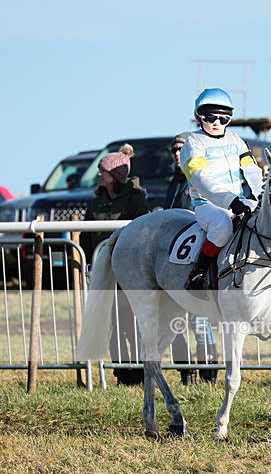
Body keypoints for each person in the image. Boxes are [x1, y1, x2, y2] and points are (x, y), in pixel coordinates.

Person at [179, 87, 263, 296]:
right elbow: (199, 177)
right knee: (223, 225)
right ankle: (197, 274)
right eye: (210, 117)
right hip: (207, 206)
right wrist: (230, 200)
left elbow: (251, 169)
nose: (217, 123)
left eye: (223, 118)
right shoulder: (193, 143)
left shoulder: (236, 140)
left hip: (238, 201)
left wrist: (261, 194)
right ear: (198, 117)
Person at [80, 144, 149, 385]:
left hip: (130, 272)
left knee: (133, 323)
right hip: (104, 271)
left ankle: (140, 372)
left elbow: (143, 232)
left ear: (116, 176)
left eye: (103, 171)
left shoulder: (136, 200)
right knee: (113, 325)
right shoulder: (96, 201)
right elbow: (85, 236)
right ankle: (122, 373)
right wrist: (86, 260)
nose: (99, 174)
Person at [164, 132, 218, 385]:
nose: (177, 153)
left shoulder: (202, 178)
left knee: (200, 321)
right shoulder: (173, 183)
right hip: (175, 262)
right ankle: (186, 374)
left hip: (198, 260)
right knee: (174, 322)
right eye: (174, 149)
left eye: (181, 148)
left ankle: (209, 376)